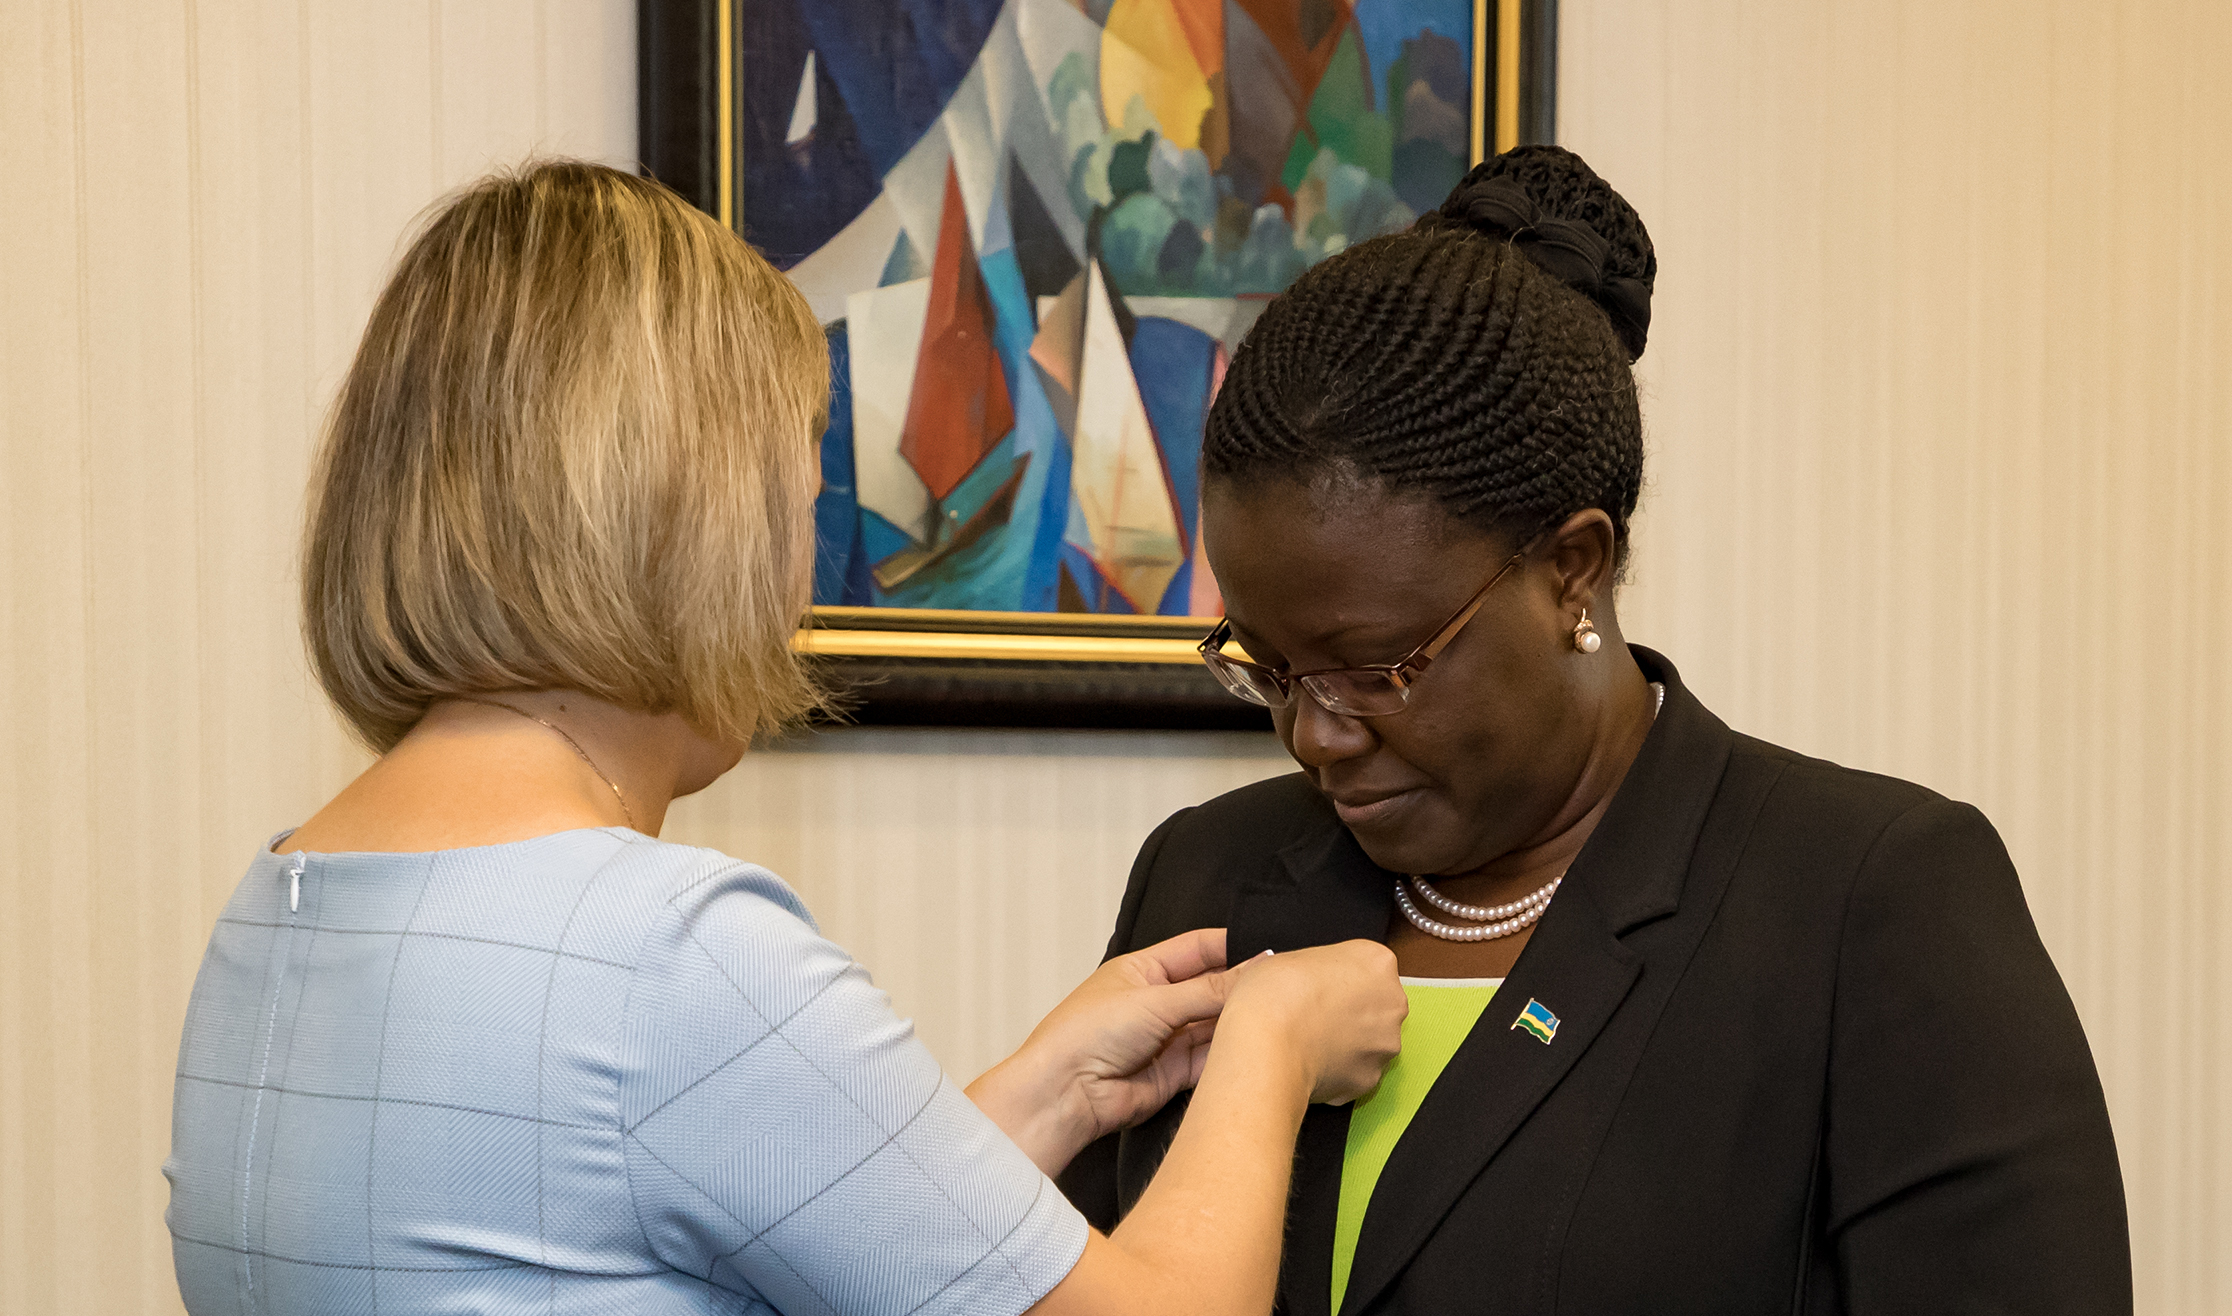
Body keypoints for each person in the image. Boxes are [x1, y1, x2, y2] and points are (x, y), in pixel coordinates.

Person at [162, 160, 1408, 1316]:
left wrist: (1057, 1086)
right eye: (798, 504)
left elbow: (679, 1221)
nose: (799, 572)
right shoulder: (665, 955)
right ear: (697, 524)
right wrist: (1272, 1043)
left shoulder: (273, 913)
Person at [1056, 146, 2131, 1314]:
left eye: (1374, 670)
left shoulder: (1872, 905)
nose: (1315, 735)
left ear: (1572, 568)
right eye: (1267, 666)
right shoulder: (1207, 876)